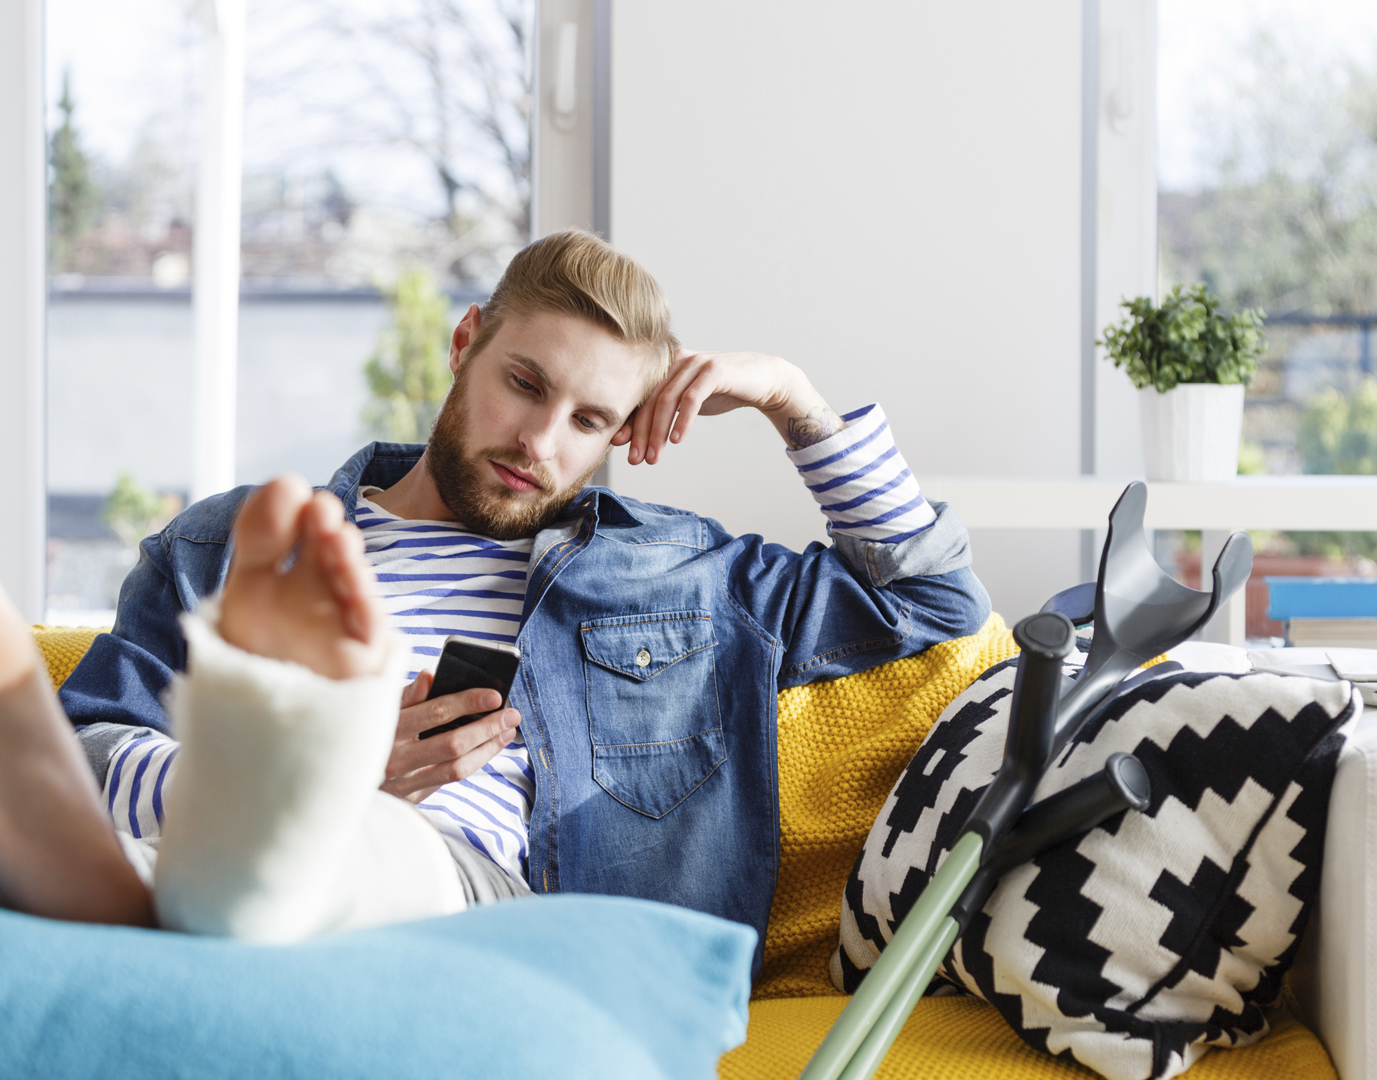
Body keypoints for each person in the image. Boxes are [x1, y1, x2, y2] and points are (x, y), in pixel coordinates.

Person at [60, 230, 990, 965]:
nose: (540, 441)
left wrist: (795, 400)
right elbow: (87, 754)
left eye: (589, 421)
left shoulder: (679, 575)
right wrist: (320, 775)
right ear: (466, 342)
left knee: (349, 853)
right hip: (212, 876)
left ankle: (269, 832)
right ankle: (261, 824)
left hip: (495, 924)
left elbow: (933, 601)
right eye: (524, 384)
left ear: (620, 434)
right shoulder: (225, 545)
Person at [0, 477, 473, 939]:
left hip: (458, 874)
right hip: (173, 842)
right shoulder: (215, 538)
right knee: (222, 856)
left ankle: (221, 857)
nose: (537, 443)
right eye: (526, 391)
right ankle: (237, 847)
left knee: (379, 856)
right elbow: (98, 745)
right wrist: (282, 773)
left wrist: (311, 780)